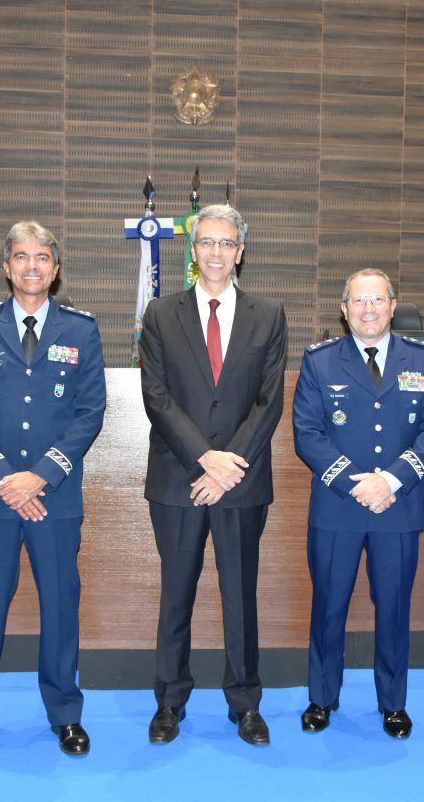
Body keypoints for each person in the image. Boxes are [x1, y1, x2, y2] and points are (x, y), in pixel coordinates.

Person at [0, 221, 106, 759]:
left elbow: (89, 410)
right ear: (7, 266)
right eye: (21, 257)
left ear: (55, 269)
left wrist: (43, 474)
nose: (32, 266)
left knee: (60, 605)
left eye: (42, 257)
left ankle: (65, 714)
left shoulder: (81, 329)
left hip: (53, 496)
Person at [138, 203, 288, 747]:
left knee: (240, 594)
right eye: (207, 242)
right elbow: (156, 397)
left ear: (240, 252)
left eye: (227, 243)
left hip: (243, 481)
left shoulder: (268, 315)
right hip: (178, 477)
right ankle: (169, 702)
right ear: (193, 250)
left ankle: (245, 703)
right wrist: (206, 458)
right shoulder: (159, 313)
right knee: (176, 592)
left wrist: (229, 468)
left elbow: (268, 403)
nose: (217, 252)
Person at [291, 268, 424, 739]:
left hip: (397, 509)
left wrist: (392, 482)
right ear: (343, 310)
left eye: (377, 300)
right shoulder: (320, 362)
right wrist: (354, 484)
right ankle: (321, 698)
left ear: (393, 305)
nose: (368, 309)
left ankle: (393, 703)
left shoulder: (422, 361)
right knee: (328, 606)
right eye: (358, 301)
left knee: (395, 608)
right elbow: (308, 433)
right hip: (338, 508)